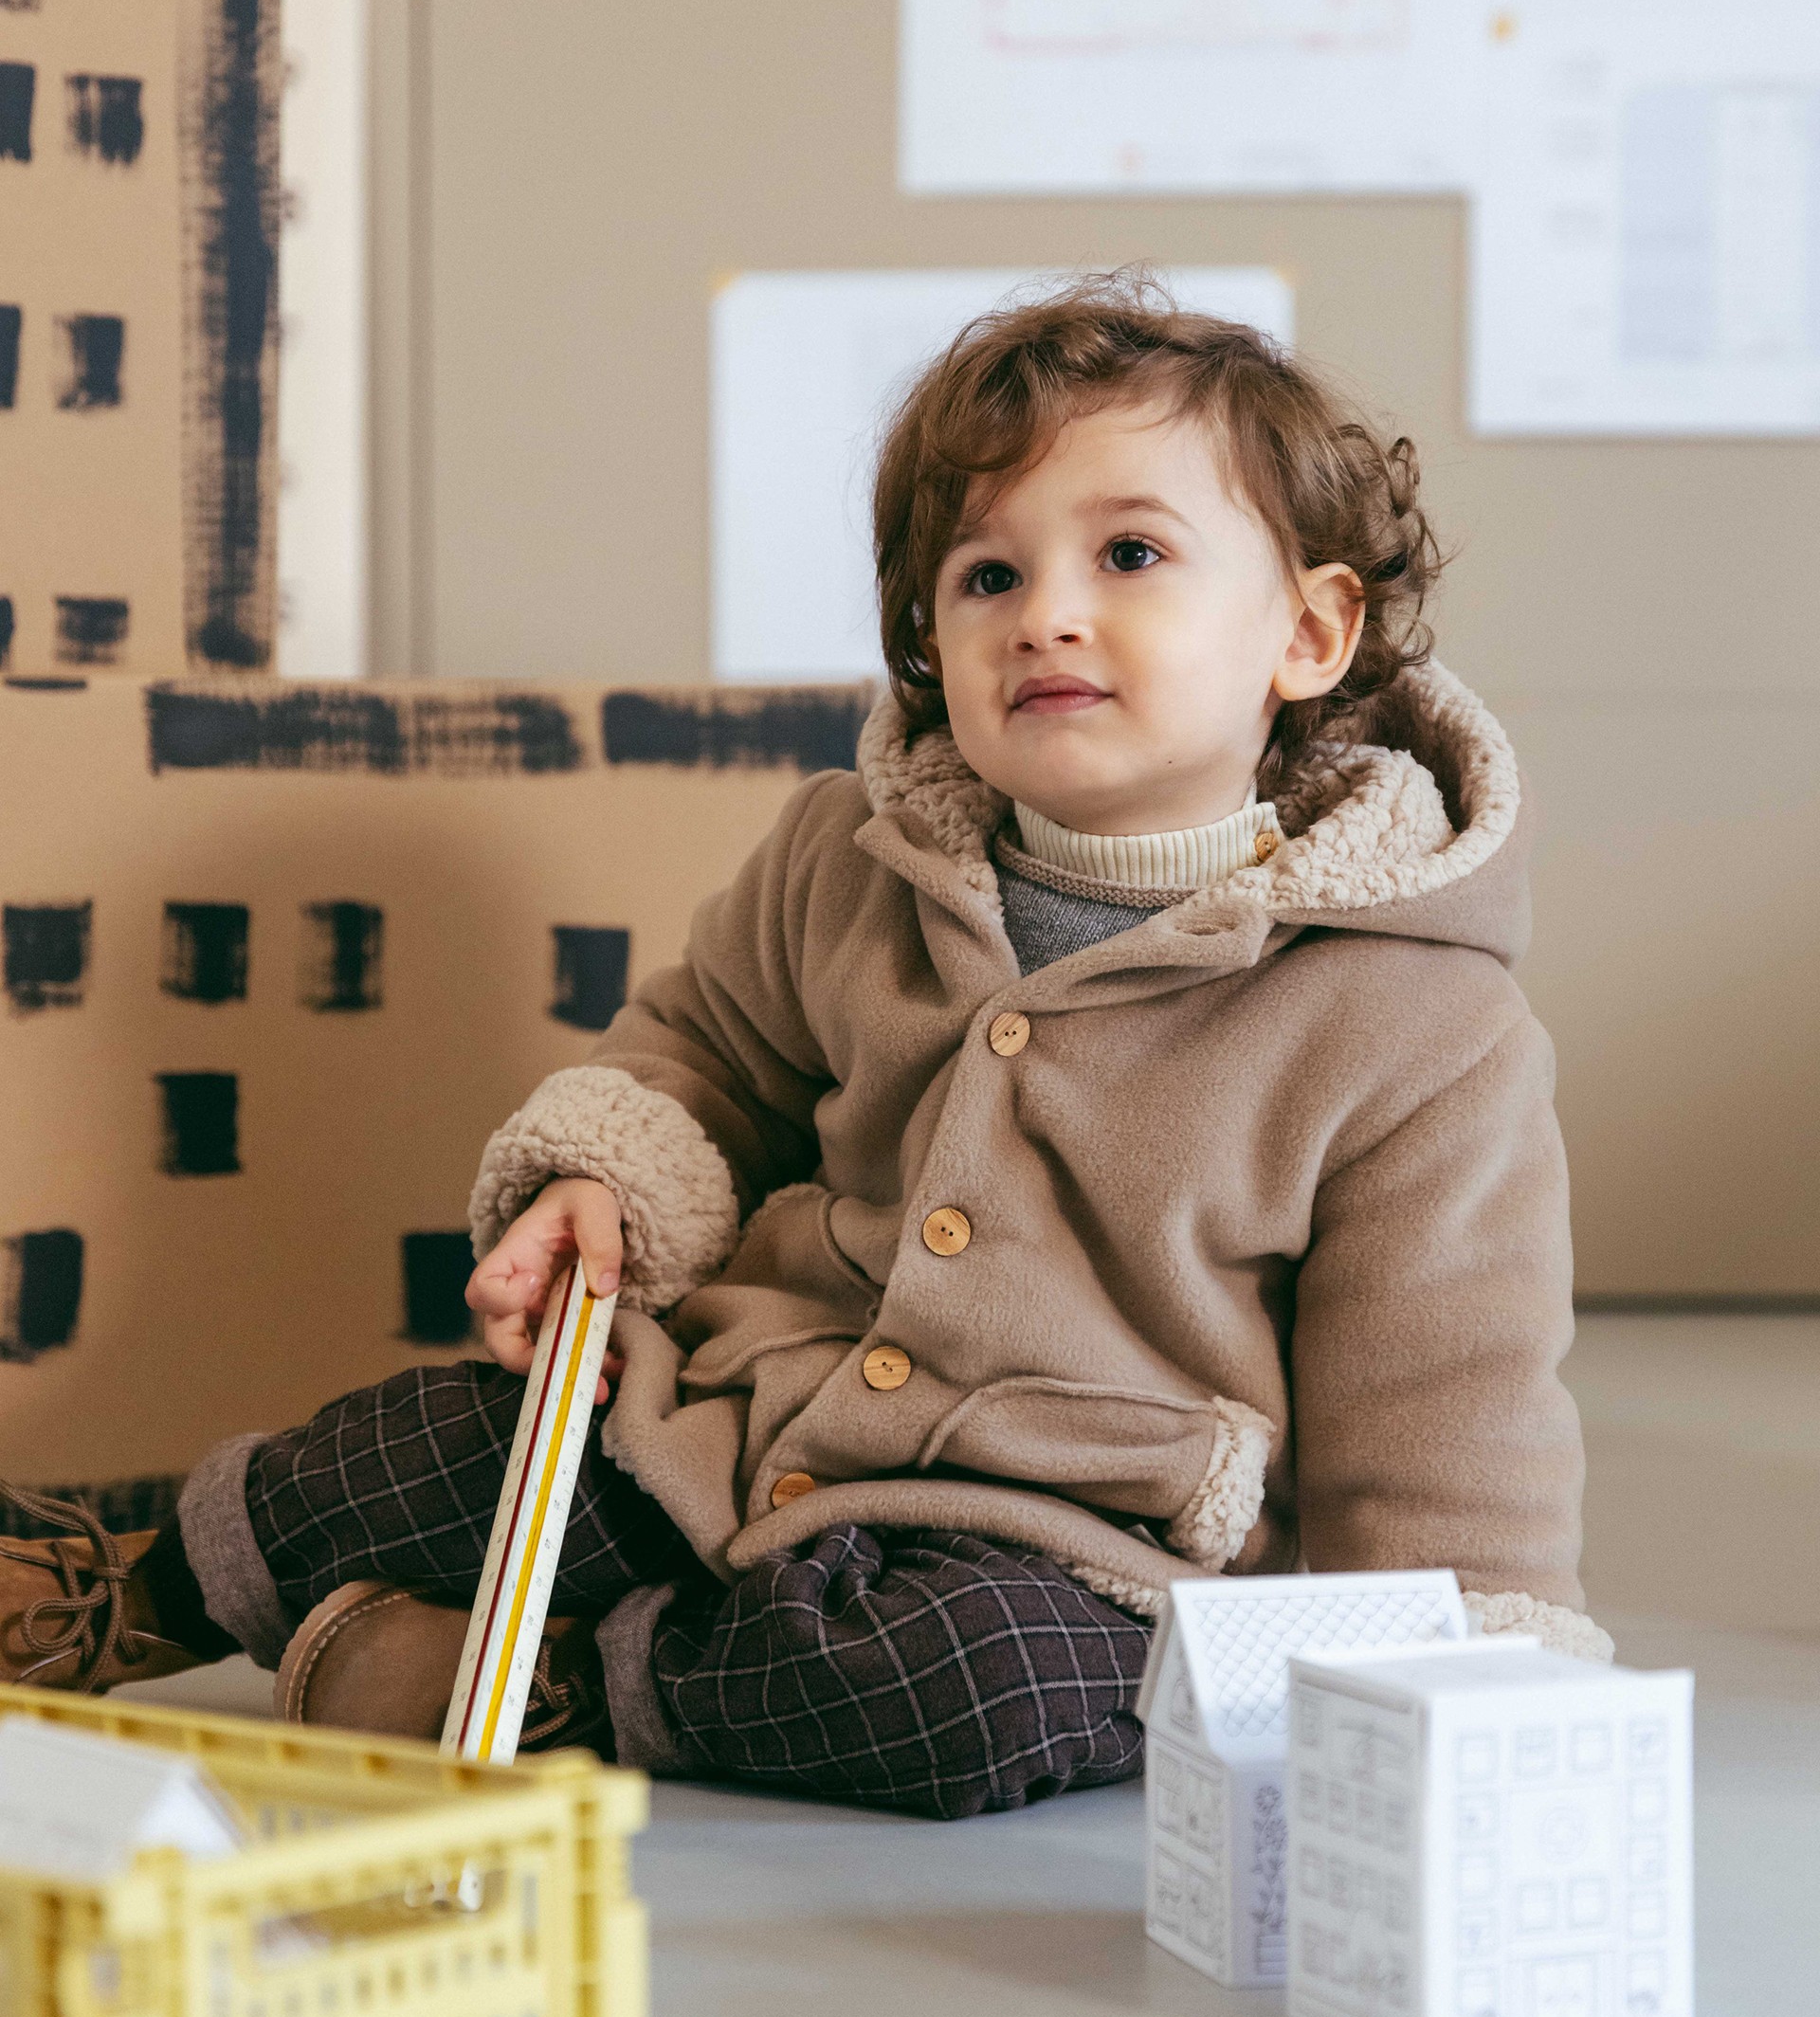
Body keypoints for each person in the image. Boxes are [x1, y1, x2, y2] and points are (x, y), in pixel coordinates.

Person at [0, 274, 1608, 1818]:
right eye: (986, 578)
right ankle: (115, 1597)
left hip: (1077, 1547)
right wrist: (601, 1183)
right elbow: (703, 1058)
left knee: (972, 1690)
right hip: (741, 1421)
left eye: (1130, 554)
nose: (1046, 616)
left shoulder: (1420, 1026)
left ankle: (554, 1688)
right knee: (424, 1445)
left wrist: (1466, 1661)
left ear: (1309, 634)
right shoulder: (848, 859)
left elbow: (1448, 1394)